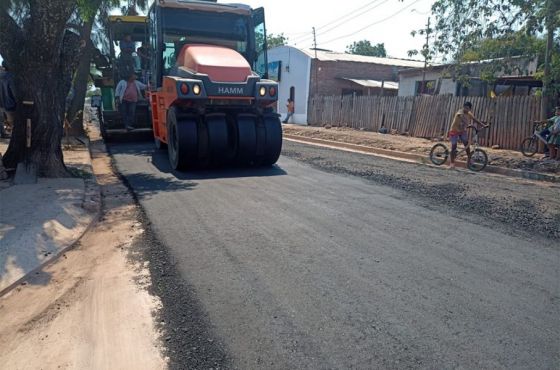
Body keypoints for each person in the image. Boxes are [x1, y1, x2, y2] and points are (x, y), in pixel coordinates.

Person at [448, 101, 488, 168]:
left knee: (467, 145)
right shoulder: (460, 112)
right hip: (454, 131)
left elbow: (475, 119)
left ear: (470, 109)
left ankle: (469, 161)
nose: (466, 109)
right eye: (465, 107)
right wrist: (468, 124)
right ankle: (452, 163)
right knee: (454, 147)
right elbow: (461, 118)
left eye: (468, 108)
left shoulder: (469, 114)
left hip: (462, 131)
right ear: (463, 107)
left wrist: (483, 125)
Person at [0, 61, 16, 138]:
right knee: (14, 124)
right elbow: (13, 91)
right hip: (9, 104)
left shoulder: (1, 75)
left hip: (1, 104)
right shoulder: (11, 77)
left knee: (2, 121)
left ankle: (3, 133)